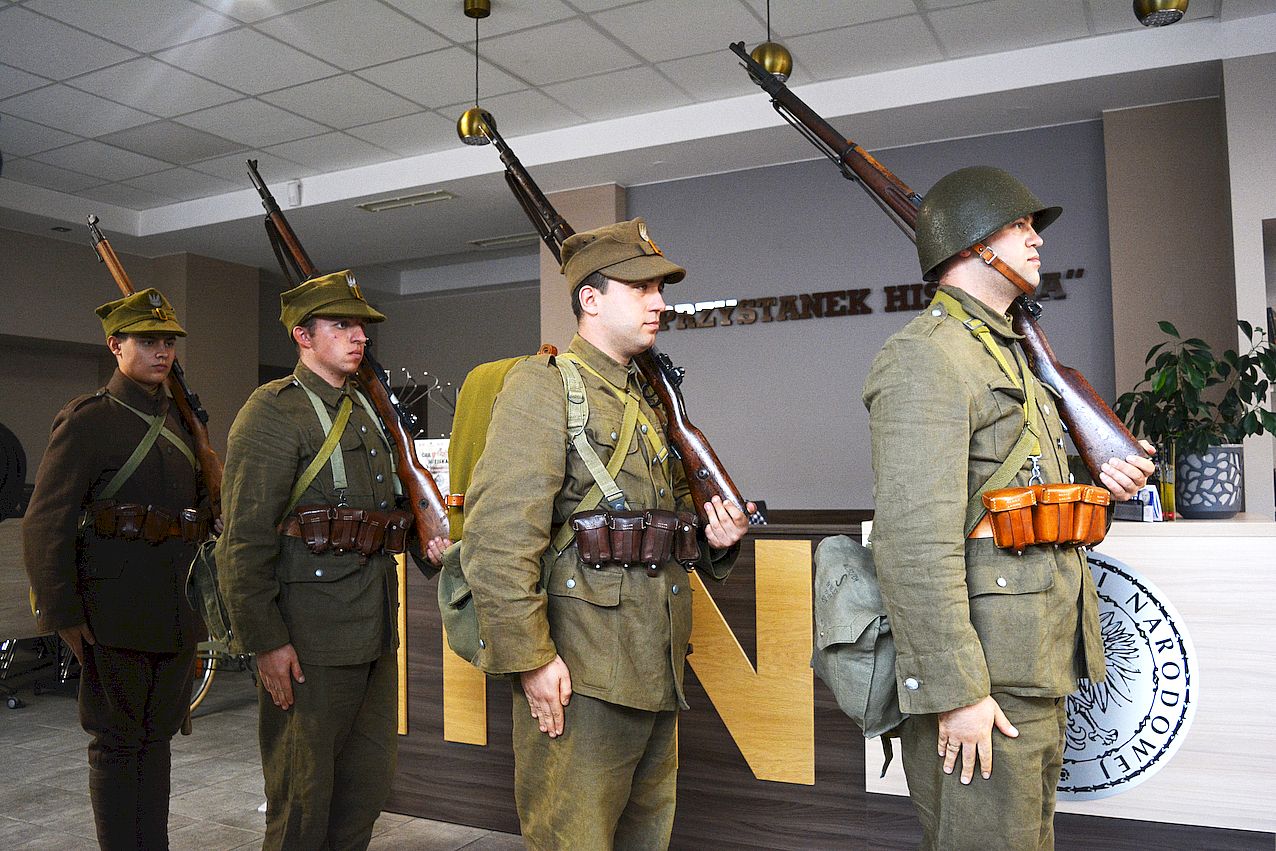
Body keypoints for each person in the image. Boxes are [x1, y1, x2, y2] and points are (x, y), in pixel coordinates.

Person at [862, 166, 1155, 850]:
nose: (1036, 239)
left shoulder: (1011, 354)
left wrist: (1102, 483)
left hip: (1034, 663)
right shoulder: (927, 358)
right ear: (972, 244)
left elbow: (1025, 502)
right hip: (983, 681)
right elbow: (914, 544)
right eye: (1019, 225)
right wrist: (957, 691)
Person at [460, 218, 752, 850]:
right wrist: (532, 660)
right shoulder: (543, 386)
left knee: (646, 838)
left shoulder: (644, 400)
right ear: (589, 299)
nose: (659, 302)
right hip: (581, 673)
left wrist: (716, 537)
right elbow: (498, 538)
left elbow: (663, 523)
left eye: (660, 289)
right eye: (641, 288)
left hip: (654, 664)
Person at [216, 271, 418, 850]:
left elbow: (383, 514)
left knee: (364, 793)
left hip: (373, 631)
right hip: (309, 642)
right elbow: (244, 542)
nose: (359, 337)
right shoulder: (273, 412)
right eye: (342, 325)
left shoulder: (365, 409)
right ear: (303, 336)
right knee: (302, 804)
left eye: (361, 327)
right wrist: (266, 642)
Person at [24, 289, 208, 850]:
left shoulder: (183, 422)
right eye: (148, 341)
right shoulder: (89, 420)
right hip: (113, 614)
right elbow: (46, 523)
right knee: (116, 743)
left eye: (168, 342)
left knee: (157, 740)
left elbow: (200, 513)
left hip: (175, 611)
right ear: (115, 345)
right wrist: (63, 614)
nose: (162, 351)